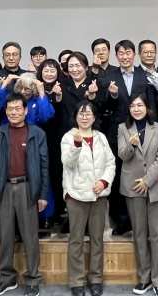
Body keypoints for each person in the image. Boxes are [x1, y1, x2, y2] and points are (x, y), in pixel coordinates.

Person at [0, 93, 50, 296]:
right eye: (10, 109)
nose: (13, 112)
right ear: (5, 111)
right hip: (4, 188)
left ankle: (33, 279)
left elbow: (44, 165)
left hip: (27, 188)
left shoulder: (37, 133)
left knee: (30, 236)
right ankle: (6, 278)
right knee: (5, 236)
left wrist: (42, 194)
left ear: (25, 110)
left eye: (17, 109)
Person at [101, 39, 157, 236]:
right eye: (121, 54)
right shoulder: (109, 77)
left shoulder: (146, 75)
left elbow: (151, 104)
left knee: (143, 172)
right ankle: (122, 219)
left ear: (134, 55)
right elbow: (103, 107)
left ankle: (144, 219)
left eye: (128, 53)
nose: (125, 57)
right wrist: (113, 96)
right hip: (118, 132)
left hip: (143, 130)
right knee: (119, 176)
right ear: (116, 56)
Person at [117, 94, 158, 296]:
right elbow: (122, 155)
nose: (136, 109)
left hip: (157, 186)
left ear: (147, 108)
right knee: (139, 234)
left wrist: (148, 180)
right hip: (133, 187)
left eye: (140, 105)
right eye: (132, 106)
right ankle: (144, 278)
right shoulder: (123, 128)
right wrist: (131, 145)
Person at [61, 101, 116, 296]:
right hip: (76, 194)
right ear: (75, 117)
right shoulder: (68, 137)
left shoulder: (101, 137)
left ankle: (96, 278)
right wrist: (77, 145)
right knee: (76, 239)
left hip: (98, 194)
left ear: (94, 118)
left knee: (97, 239)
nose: (84, 117)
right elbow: (68, 162)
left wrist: (104, 181)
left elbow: (110, 162)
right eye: (81, 114)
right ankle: (76, 281)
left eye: (88, 114)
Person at [0, 72, 55, 234]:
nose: (24, 92)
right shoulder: (11, 101)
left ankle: (42, 216)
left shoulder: (35, 102)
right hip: (8, 141)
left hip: (32, 143)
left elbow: (46, 116)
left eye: (28, 89)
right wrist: (5, 84)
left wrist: (41, 91)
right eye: (20, 88)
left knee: (38, 177)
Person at [36, 58, 68, 231]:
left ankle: (57, 210)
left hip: (57, 138)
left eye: (52, 70)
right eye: (46, 70)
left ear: (58, 73)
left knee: (56, 173)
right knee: (42, 173)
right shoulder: (35, 89)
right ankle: (44, 212)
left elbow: (61, 114)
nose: (49, 74)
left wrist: (58, 97)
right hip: (39, 137)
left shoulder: (62, 88)